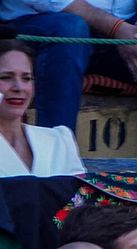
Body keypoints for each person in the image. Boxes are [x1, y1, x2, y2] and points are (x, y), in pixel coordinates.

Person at [0, 0, 137, 132]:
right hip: (48, 29)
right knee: (70, 29)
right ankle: (57, 158)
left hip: (128, 35)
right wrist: (117, 29)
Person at [0, 39, 83, 177]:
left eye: (26, 78)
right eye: (6, 77)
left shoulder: (60, 141)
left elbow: (80, 196)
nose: (19, 88)